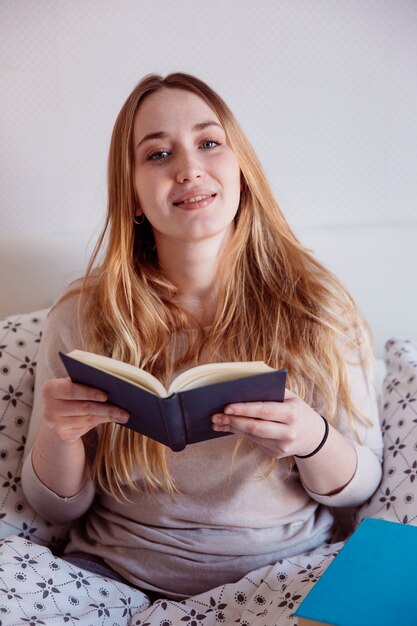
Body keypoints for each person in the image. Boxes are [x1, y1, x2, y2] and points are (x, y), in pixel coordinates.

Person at [22, 72, 383, 601]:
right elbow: (53, 508)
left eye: (209, 143)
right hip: (116, 580)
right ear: (135, 198)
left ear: (241, 170)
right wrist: (60, 435)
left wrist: (312, 439)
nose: (189, 168)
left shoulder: (317, 306)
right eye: (157, 155)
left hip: (287, 578)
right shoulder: (82, 315)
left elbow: (363, 487)